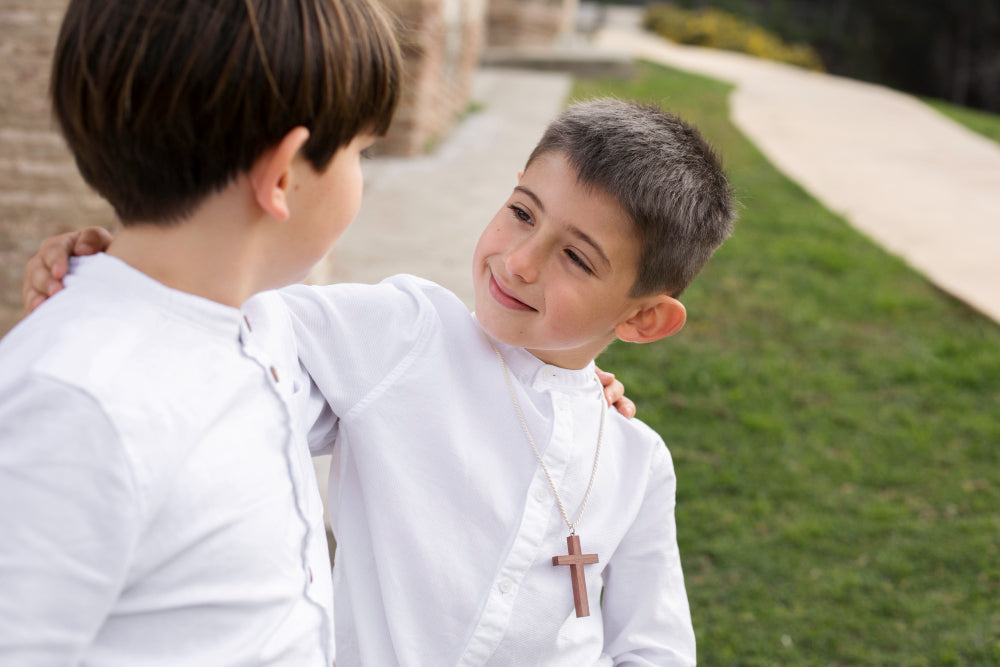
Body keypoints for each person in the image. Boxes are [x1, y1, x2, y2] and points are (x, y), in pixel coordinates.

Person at [24, 99, 735, 664]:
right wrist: (113, 267)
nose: (519, 261)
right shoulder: (405, 335)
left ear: (643, 320)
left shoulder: (638, 462)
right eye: (521, 212)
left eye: (576, 258)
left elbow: (654, 644)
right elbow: (232, 328)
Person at [0, 0, 400, 664]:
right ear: (283, 175)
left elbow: (408, 385)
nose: (361, 172)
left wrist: (569, 395)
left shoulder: (261, 322)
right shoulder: (76, 404)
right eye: (361, 150)